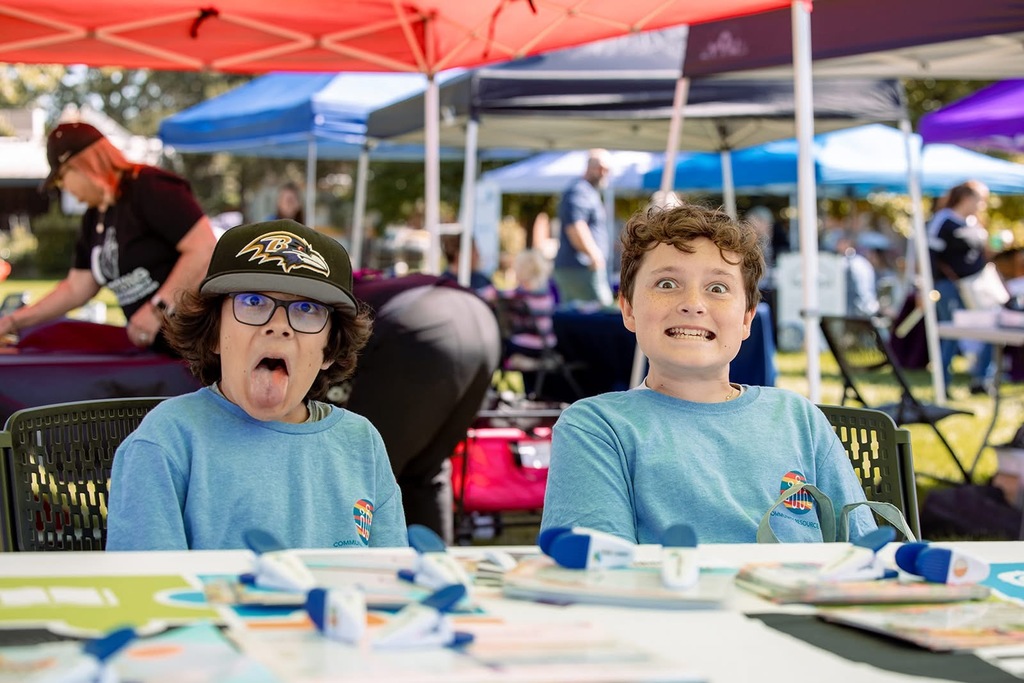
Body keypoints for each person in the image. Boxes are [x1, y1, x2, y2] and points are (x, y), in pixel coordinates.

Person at [540, 203, 876, 544]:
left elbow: (862, 553)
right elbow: (598, 575)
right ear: (628, 309)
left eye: (717, 288)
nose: (693, 303)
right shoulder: (597, 428)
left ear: (747, 319)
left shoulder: (799, 419)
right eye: (667, 283)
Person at [106, 219, 407, 550]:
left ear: (330, 348)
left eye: (307, 309)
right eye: (252, 302)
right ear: (214, 334)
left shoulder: (361, 443)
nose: (278, 327)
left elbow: (389, 578)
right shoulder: (168, 441)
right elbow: (148, 591)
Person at [0, 122, 216, 353]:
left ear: (82, 165)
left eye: (62, 179)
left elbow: (204, 248)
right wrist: (14, 321)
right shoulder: (93, 217)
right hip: (154, 348)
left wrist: (158, 309)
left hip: (197, 349)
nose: (65, 189)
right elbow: (76, 287)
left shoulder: (149, 186)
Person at [344, 272, 502, 544]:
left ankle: (349, 570)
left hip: (422, 324)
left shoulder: (332, 295)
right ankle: (438, 572)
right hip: (481, 322)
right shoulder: (375, 285)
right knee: (426, 470)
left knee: (359, 470)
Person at [928, 180, 996, 394]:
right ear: (967, 198)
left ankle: (982, 380)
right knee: (950, 332)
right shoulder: (944, 220)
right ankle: (942, 384)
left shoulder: (974, 223)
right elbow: (930, 255)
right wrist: (927, 286)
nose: (982, 205)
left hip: (977, 287)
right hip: (950, 286)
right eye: (980, 200)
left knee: (991, 330)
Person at [552, 149, 613, 307]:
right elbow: (575, 227)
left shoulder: (588, 191)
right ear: (590, 167)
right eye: (601, 168)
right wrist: (594, 255)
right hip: (580, 268)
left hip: (582, 267)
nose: (604, 173)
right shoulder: (579, 191)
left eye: (607, 169)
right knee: (601, 314)